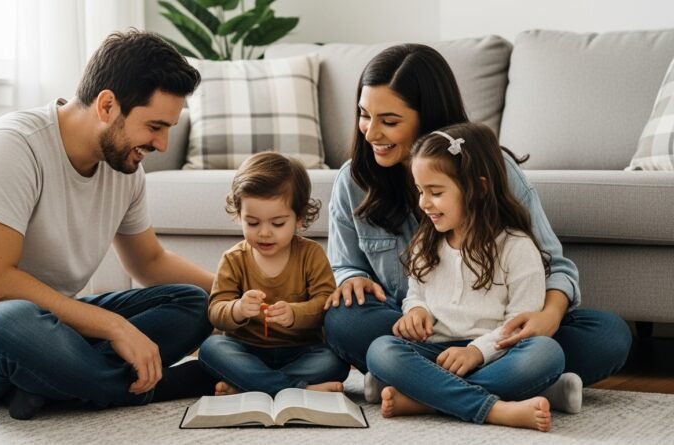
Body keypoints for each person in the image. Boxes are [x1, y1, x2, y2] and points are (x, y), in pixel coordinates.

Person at [0, 29, 218, 420]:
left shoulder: (124, 168)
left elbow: (149, 262)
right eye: (155, 127)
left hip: (51, 324)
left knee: (196, 302)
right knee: (15, 321)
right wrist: (114, 327)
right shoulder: (12, 147)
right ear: (106, 105)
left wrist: (239, 292)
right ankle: (158, 386)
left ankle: (55, 384)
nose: (164, 144)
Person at [323, 43, 631, 413]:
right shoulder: (353, 180)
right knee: (344, 321)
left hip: (505, 336)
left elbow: (555, 266)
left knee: (607, 336)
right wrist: (351, 277)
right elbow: (346, 265)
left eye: (389, 121)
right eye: (363, 115)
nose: (371, 133)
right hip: (423, 334)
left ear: (428, 117)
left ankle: (423, 394)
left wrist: (547, 319)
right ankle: (514, 391)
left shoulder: (491, 168)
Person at [366, 123, 563, 431]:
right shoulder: (426, 242)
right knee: (381, 350)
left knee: (545, 354)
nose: (423, 203)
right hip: (436, 350)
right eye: (420, 191)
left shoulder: (516, 248)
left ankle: (425, 399)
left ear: (479, 188)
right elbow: (416, 293)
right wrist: (416, 310)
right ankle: (495, 408)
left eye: (436, 192)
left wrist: (476, 352)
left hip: (495, 353)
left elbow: (518, 326)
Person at [199, 152, 350, 396]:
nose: (265, 233)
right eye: (253, 223)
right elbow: (216, 311)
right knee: (211, 348)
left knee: (335, 360)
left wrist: (294, 314)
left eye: (278, 223)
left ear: (299, 218)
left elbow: (325, 305)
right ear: (239, 215)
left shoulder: (311, 255)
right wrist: (237, 309)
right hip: (247, 350)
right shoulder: (234, 259)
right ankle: (296, 389)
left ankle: (249, 384)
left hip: (301, 351)